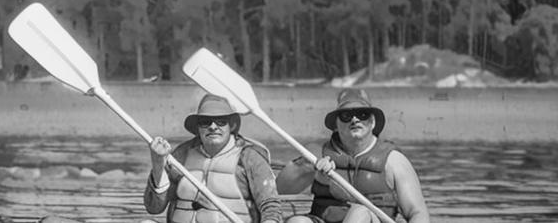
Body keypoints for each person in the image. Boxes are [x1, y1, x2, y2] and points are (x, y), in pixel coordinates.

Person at [276, 89, 429, 223]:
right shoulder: (315, 155)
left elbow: (417, 213)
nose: (355, 120)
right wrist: (309, 170)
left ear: (373, 122)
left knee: (360, 213)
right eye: (346, 115)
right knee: (298, 221)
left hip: (368, 220)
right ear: (336, 124)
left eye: (362, 114)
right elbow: (277, 190)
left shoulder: (393, 160)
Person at [144, 94, 282, 223]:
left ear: (231, 125)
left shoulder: (250, 157)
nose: (213, 127)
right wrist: (158, 162)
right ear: (198, 128)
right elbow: (154, 207)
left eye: (221, 122)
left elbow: (271, 207)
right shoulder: (182, 154)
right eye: (205, 122)